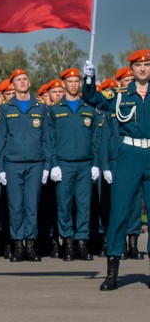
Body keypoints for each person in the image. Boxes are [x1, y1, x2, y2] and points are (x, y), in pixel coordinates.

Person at [83, 51, 150, 289]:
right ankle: (112, 272)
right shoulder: (120, 95)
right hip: (128, 156)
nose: (143, 69)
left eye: (147, 65)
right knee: (120, 212)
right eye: (138, 65)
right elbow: (93, 99)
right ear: (131, 69)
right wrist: (89, 79)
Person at [0, 68, 51, 262]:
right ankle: (17, 245)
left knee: (32, 205)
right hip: (13, 163)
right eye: (18, 79)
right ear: (13, 84)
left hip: (35, 163)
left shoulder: (40, 106)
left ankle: (31, 245)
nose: (23, 82)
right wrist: (1, 169)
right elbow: (0, 141)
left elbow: (46, 139)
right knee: (16, 205)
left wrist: (47, 166)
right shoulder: (5, 108)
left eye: (25, 78)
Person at [48, 67, 100, 262]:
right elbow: (50, 140)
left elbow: (95, 138)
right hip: (64, 163)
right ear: (64, 84)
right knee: (64, 205)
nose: (73, 84)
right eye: (70, 82)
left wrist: (95, 164)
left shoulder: (89, 108)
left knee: (84, 205)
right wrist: (53, 164)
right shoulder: (54, 109)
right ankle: (68, 243)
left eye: (77, 81)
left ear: (80, 84)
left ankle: (82, 243)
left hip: (85, 164)